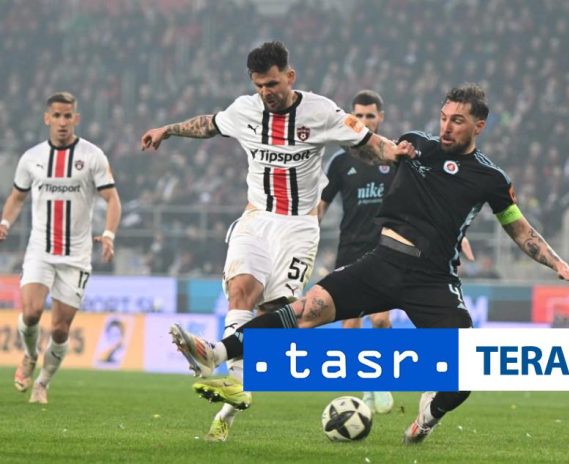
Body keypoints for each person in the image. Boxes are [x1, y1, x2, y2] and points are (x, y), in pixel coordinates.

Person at [170, 83, 569, 444]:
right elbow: (373, 154)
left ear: (479, 126)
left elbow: (519, 229)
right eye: (444, 117)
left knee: (465, 372)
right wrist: (380, 150)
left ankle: (427, 416)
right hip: (382, 263)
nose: (446, 126)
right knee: (304, 311)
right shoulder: (415, 145)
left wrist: (558, 264)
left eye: (458, 121)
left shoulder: (491, 178)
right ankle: (216, 351)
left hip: (433, 280)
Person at [140, 41, 414, 442]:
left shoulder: (320, 111)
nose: (266, 92)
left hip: (298, 227)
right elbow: (209, 124)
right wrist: (167, 130)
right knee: (241, 291)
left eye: (272, 84)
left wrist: (397, 153)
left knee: (276, 317)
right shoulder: (245, 110)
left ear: (290, 76)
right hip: (256, 218)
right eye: (259, 85)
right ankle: (234, 384)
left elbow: (371, 145)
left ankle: (231, 402)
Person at [0, 91, 122, 404]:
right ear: (47, 118)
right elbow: (16, 197)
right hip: (40, 249)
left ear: (76, 118)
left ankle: (42, 383)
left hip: (76, 255)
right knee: (31, 313)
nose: (63, 122)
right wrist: (4, 222)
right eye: (57, 115)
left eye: (68, 116)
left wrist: (109, 234)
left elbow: (112, 199)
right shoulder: (31, 158)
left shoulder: (92, 156)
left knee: (60, 330)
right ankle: (30, 355)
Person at [318, 90, 396, 414]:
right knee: (350, 326)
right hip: (349, 249)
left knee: (380, 319)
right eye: (358, 116)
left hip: (385, 248)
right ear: (350, 118)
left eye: (369, 116)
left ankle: (383, 379)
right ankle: (368, 385)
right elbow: (320, 206)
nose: (364, 121)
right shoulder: (340, 161)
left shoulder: (392, 156)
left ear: (380, 118)